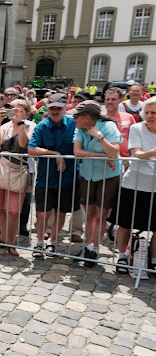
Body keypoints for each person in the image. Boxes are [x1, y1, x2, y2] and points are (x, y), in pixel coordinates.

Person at [71, 100, 122, 267]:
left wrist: (99, 137)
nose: (73, 119)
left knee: (100, 215)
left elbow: (114, 152)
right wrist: (102, 156)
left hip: (108, 176)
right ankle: (87, 246)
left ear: (86, 117)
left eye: (76, 116)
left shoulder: (108, 127)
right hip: (88, 174)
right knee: (90, 213)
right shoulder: (80, 129)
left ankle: (94, 248)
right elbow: (77, 152)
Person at [28, 93, 79, 258]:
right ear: (47, 108)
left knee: (61, 212)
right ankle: (40, 243)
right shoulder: (42, 126)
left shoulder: (74, 125)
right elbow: (31, 149)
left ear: (65, 109)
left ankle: (52, 242)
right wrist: (55, 153)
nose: (55, 111)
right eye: (52, 108)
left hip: (68, 178)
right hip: (45, 177)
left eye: (58, 108)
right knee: (42, 213)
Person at [114, 97, 156, 275]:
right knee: (125, 222)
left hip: (155, 186)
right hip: (135, 183)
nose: (149, 116)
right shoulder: (136, 128)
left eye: (153, 113)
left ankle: (154, 260)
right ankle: (122, 256)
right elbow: (137, 153)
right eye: (147, 112)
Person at [0, 99, 35, 256]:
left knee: (14, 211)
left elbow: (23, 145)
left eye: (18, 110)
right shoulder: (4, 126)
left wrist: (20, 124)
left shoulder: (30, 126)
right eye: (12, 109)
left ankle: (11, 241)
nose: (14, 113)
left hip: (18, 171)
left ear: (26, 113)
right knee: (0, 208)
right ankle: (3, 238)